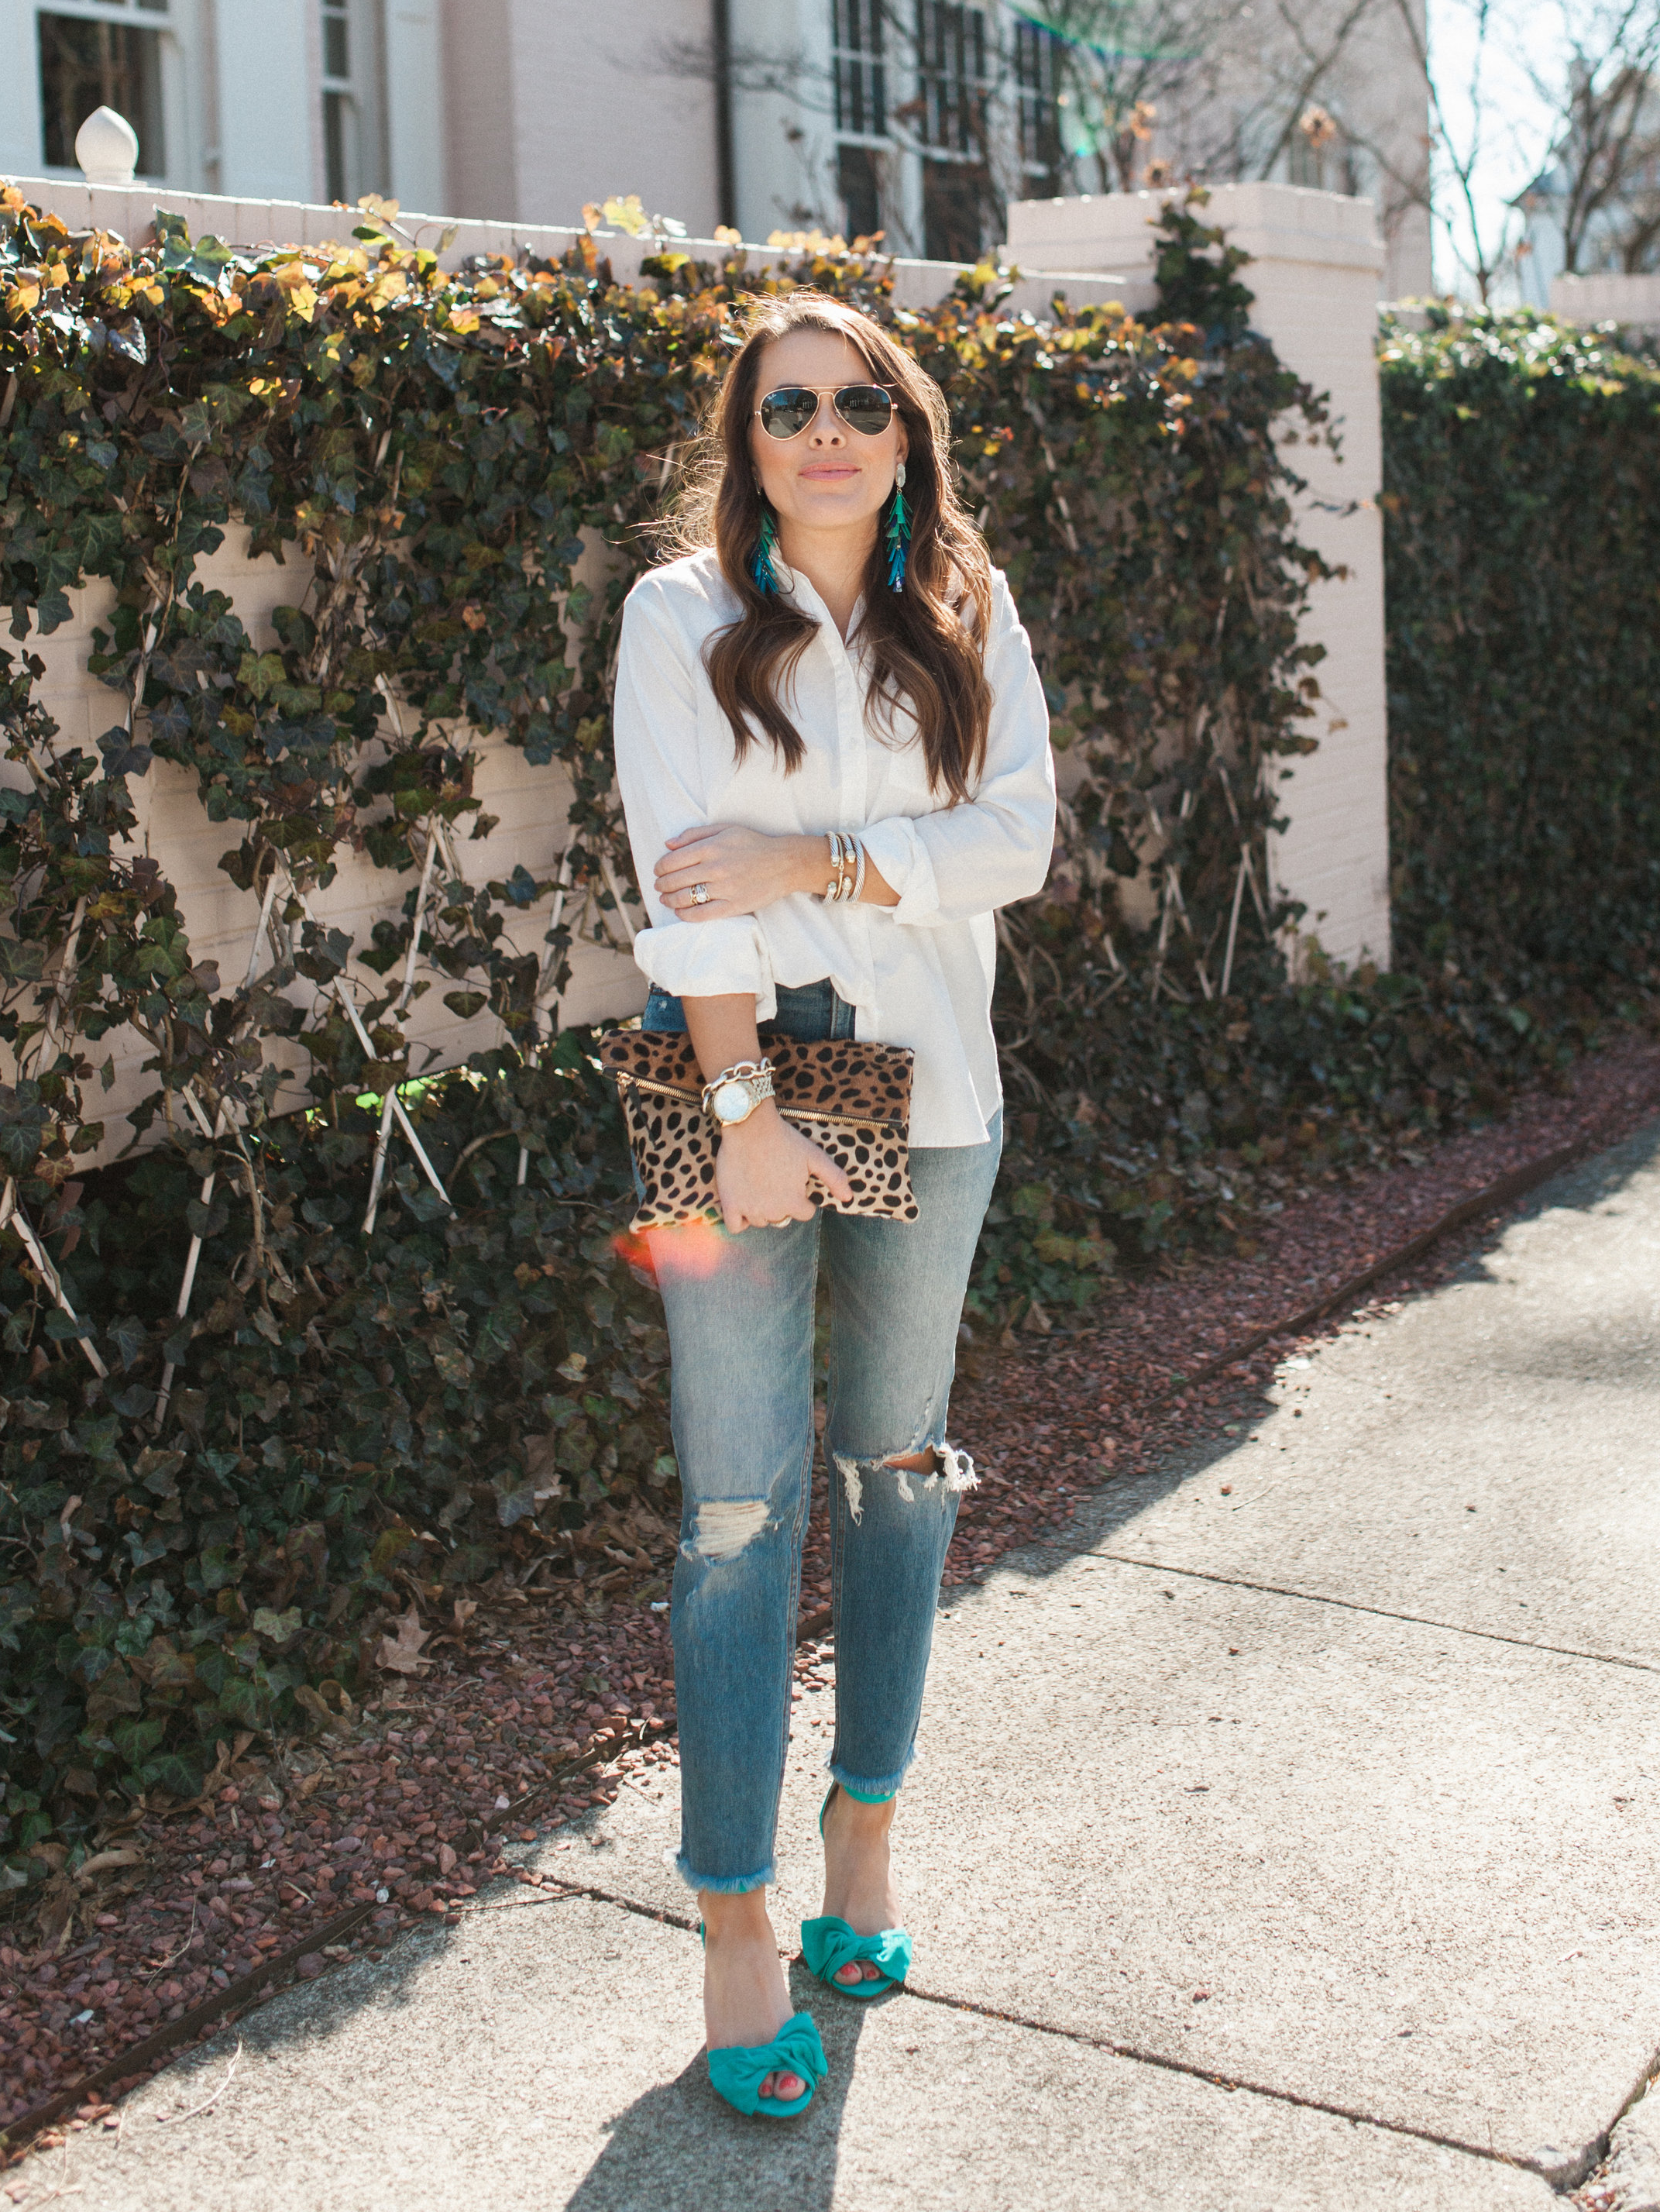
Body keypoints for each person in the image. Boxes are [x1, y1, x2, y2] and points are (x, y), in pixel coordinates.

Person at [611, 290, 1055, 2120]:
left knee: (897, 1467)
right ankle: (732, 1915)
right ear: (745, 434)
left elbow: (1019, 838)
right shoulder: (679, 615)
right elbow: (680, 886)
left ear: (900, 430)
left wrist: (826, 857)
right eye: (782, 402)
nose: (819, 427)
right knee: (732, 1508)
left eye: (854, 400)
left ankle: (859, 1831)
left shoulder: (966, 608)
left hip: (935, 1092)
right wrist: (738, 1110)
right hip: (736, 1077)